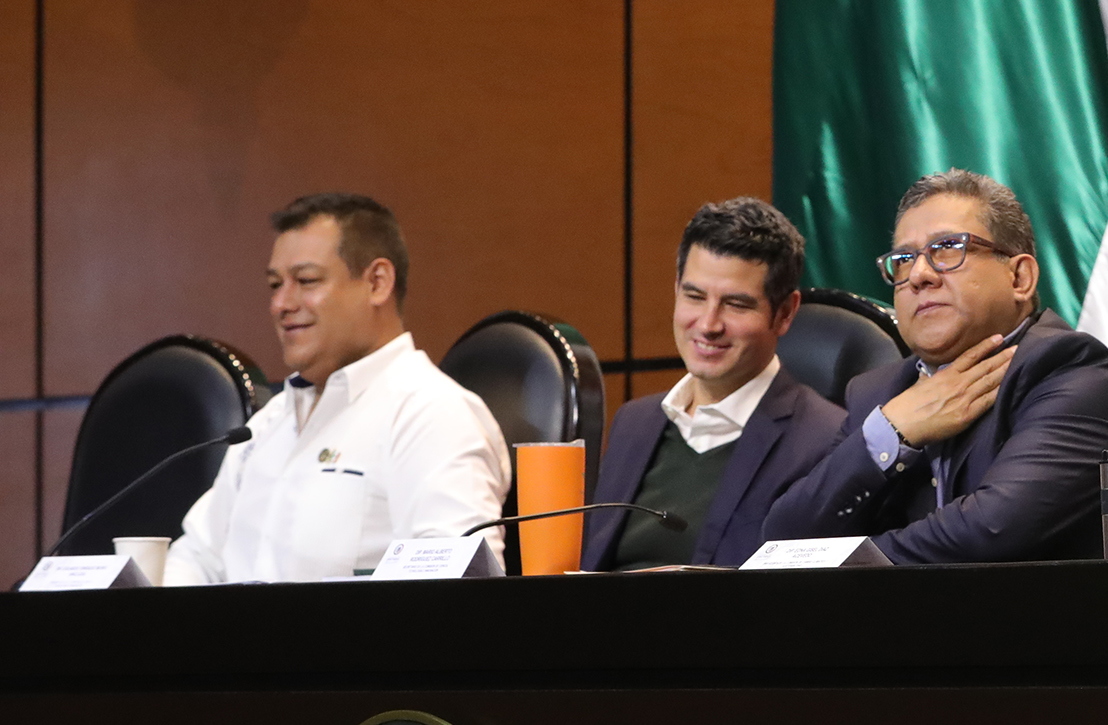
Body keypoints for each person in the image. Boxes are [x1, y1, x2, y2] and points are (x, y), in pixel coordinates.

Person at [763, 169, 1108, 562]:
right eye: (904, 259)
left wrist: (833, 562)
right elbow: (783, 536)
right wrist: (892, 432)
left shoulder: (1072, 372)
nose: (918, 275)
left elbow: (992, 530)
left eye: (948, 248)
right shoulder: (880, 393)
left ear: (1019, 277)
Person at [165, 194, 510, 583]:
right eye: (275, 285)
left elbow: (460, 581)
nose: (281, 304)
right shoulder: (267, 424)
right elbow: (197, 557)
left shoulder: (430, 413)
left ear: (377, 283)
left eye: (306, 281)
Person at [580, 198, 845, 570]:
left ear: (784, 313)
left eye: (736, 304)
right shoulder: (633, 423)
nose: (708, 324)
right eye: (694, 296)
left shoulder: (825, 440)